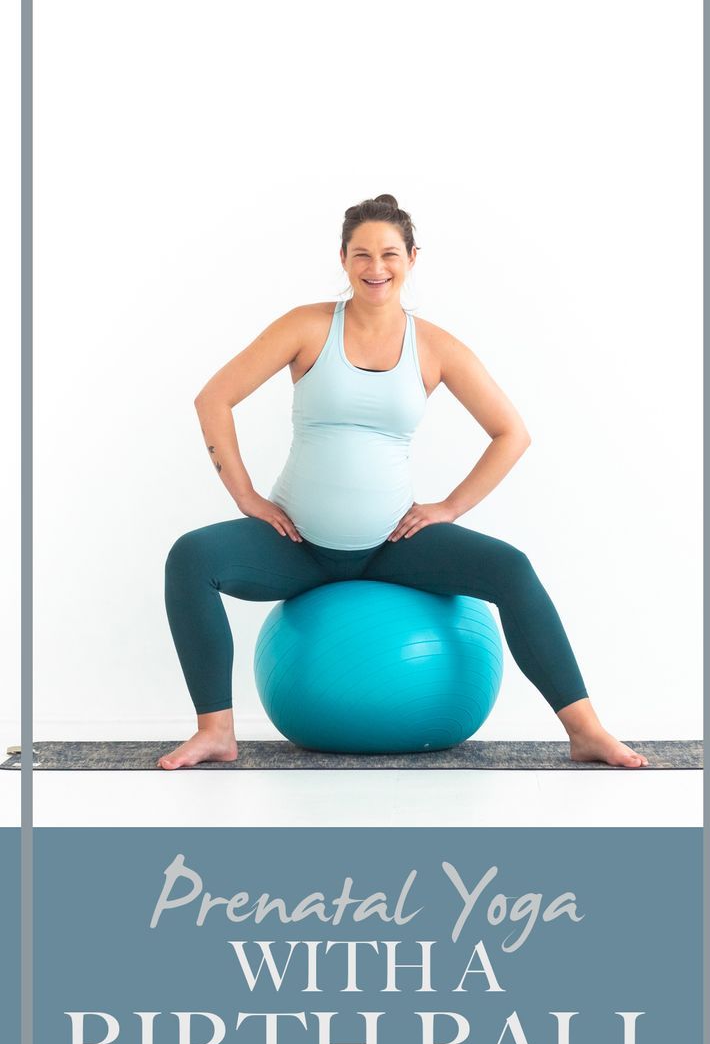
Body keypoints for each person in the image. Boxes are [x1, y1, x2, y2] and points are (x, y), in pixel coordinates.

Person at [158, 194, 649, 772]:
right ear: (342, 258)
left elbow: (510, 433)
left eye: (390, 253)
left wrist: (450, 507)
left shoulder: (435, 346)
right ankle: (215, 730)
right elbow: (213, 398)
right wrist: (246, 497)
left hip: (392, 545)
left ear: (412, 258)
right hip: (298, 545)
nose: (376, 267)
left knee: (511, 568)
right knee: (190, 558)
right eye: (361, 254)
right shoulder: (308, 326)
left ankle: (586, 730)